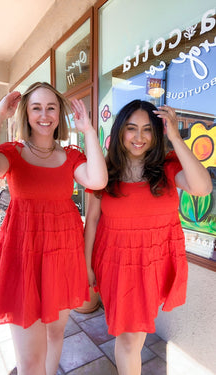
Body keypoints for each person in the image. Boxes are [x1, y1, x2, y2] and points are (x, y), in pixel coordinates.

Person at [0, 82, 108, 375]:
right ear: (26, 114)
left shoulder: (71, 157)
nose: (44, 115)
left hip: (62, 257)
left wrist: (89, 131)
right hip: (24, 259)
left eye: (51, 107)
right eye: (36, 108)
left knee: (55, 334)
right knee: (30, 362)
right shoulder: (14, 154)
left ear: (59, 114)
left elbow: (97, 180)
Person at [84, 99, 212, 375]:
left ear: (157, 134)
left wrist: (176, 137)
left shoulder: (167, 167)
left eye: (147, 130)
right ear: (120, 132)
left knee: (133, 336)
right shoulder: (105, 171)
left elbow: (202, 188)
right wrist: (86, 266)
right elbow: (92, 220)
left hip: (155, 262)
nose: (139, 137)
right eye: (131, 128)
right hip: (117, 263)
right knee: (130, 337)